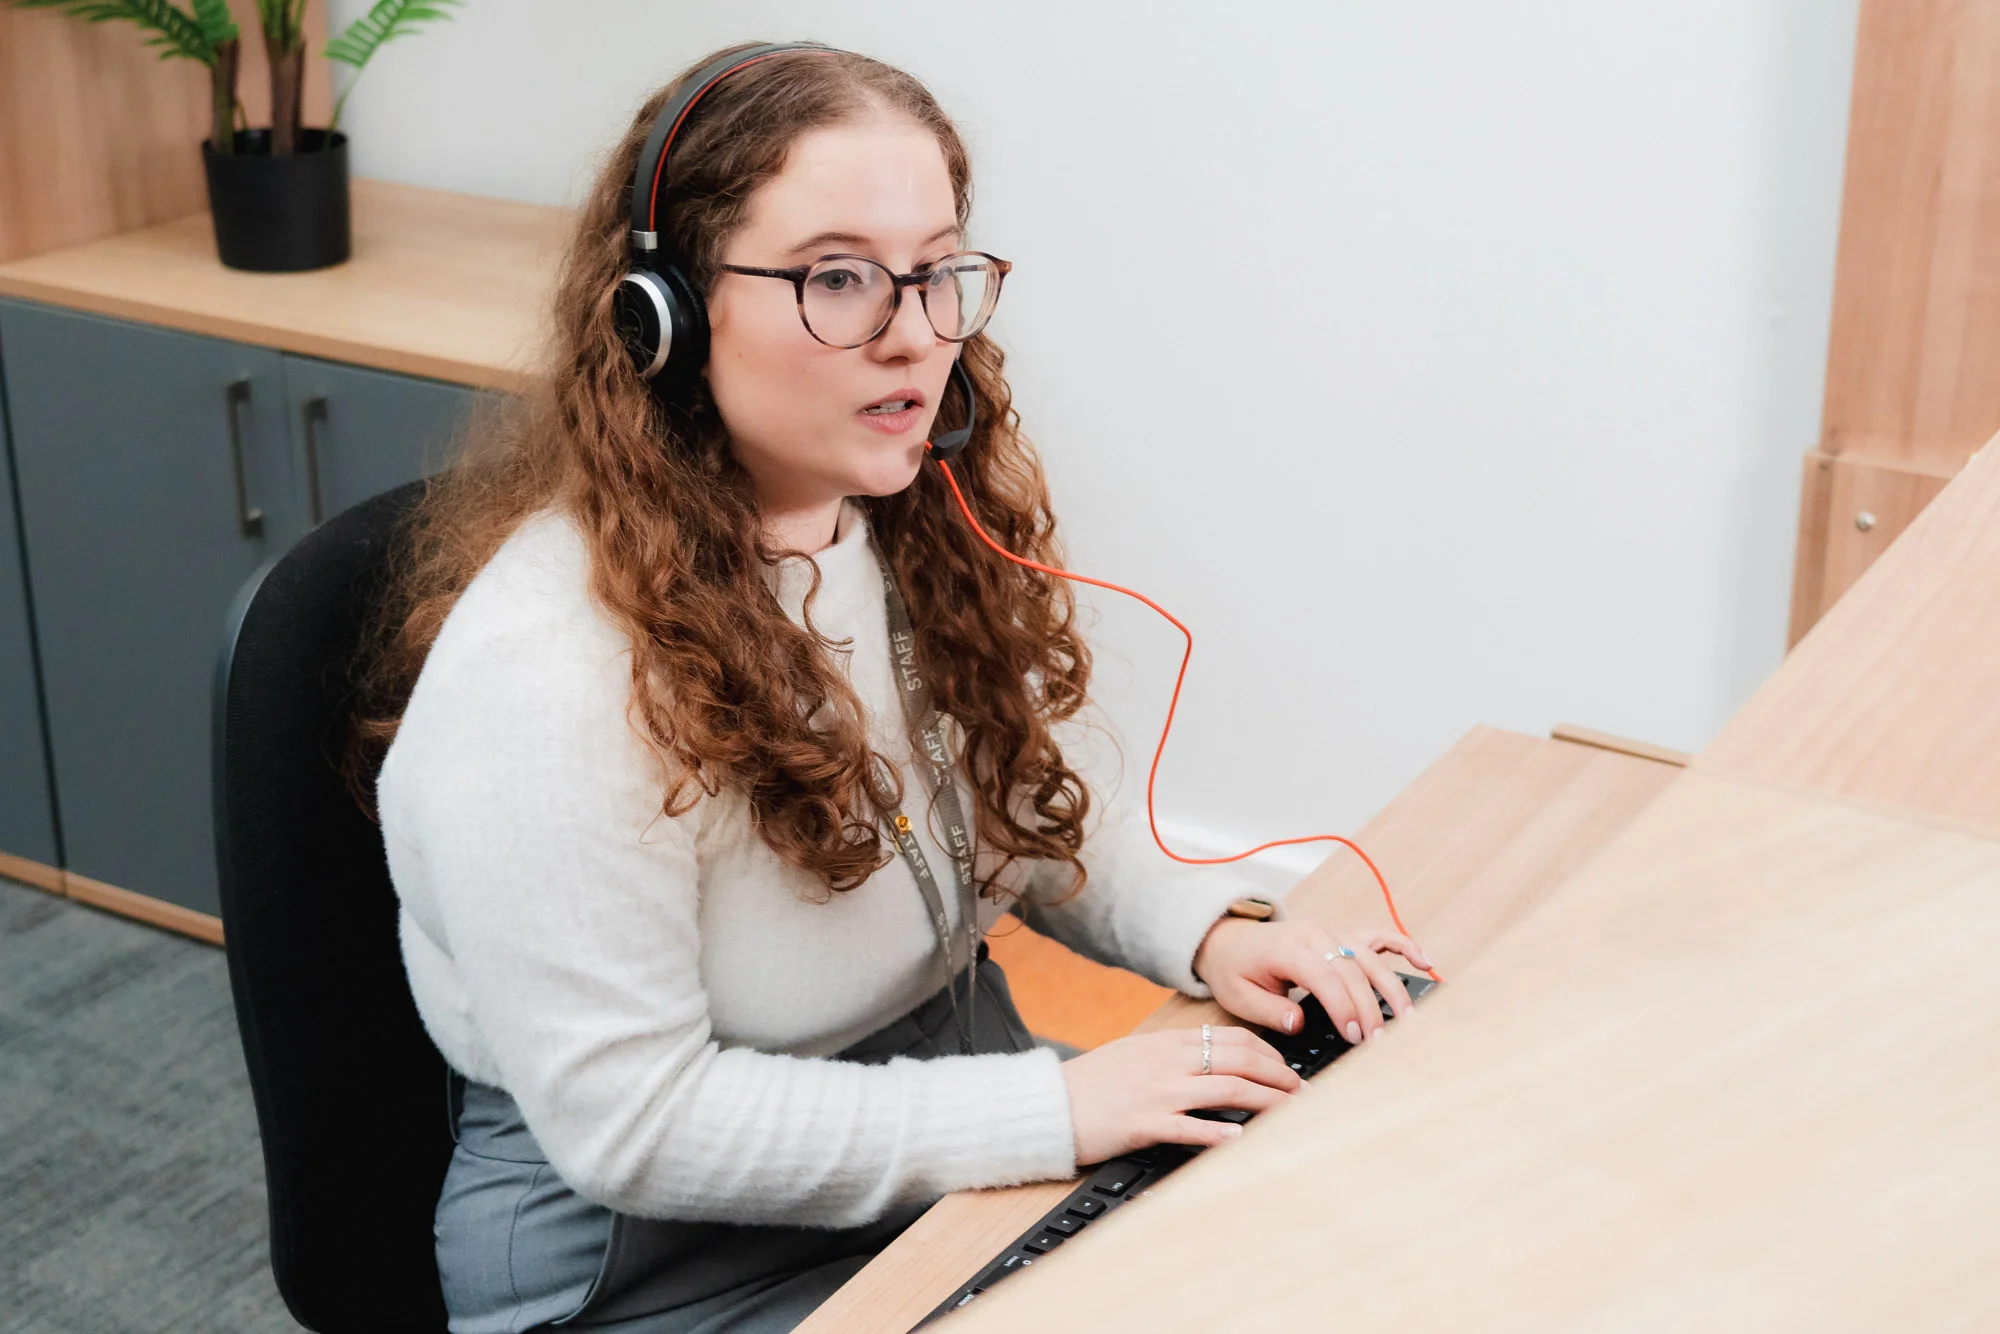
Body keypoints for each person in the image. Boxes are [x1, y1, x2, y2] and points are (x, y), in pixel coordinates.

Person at [354, 41, 1431, 1334]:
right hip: (656, 1247)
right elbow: (637, 1124)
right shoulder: (547, 678)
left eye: (935, 273)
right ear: (668, 311)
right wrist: (1057, 1109)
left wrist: (1213, 930)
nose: (916, 335)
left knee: (1332, 1221)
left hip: (944, 1106)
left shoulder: (897, 517)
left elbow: (1015, 812)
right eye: (840, 279)